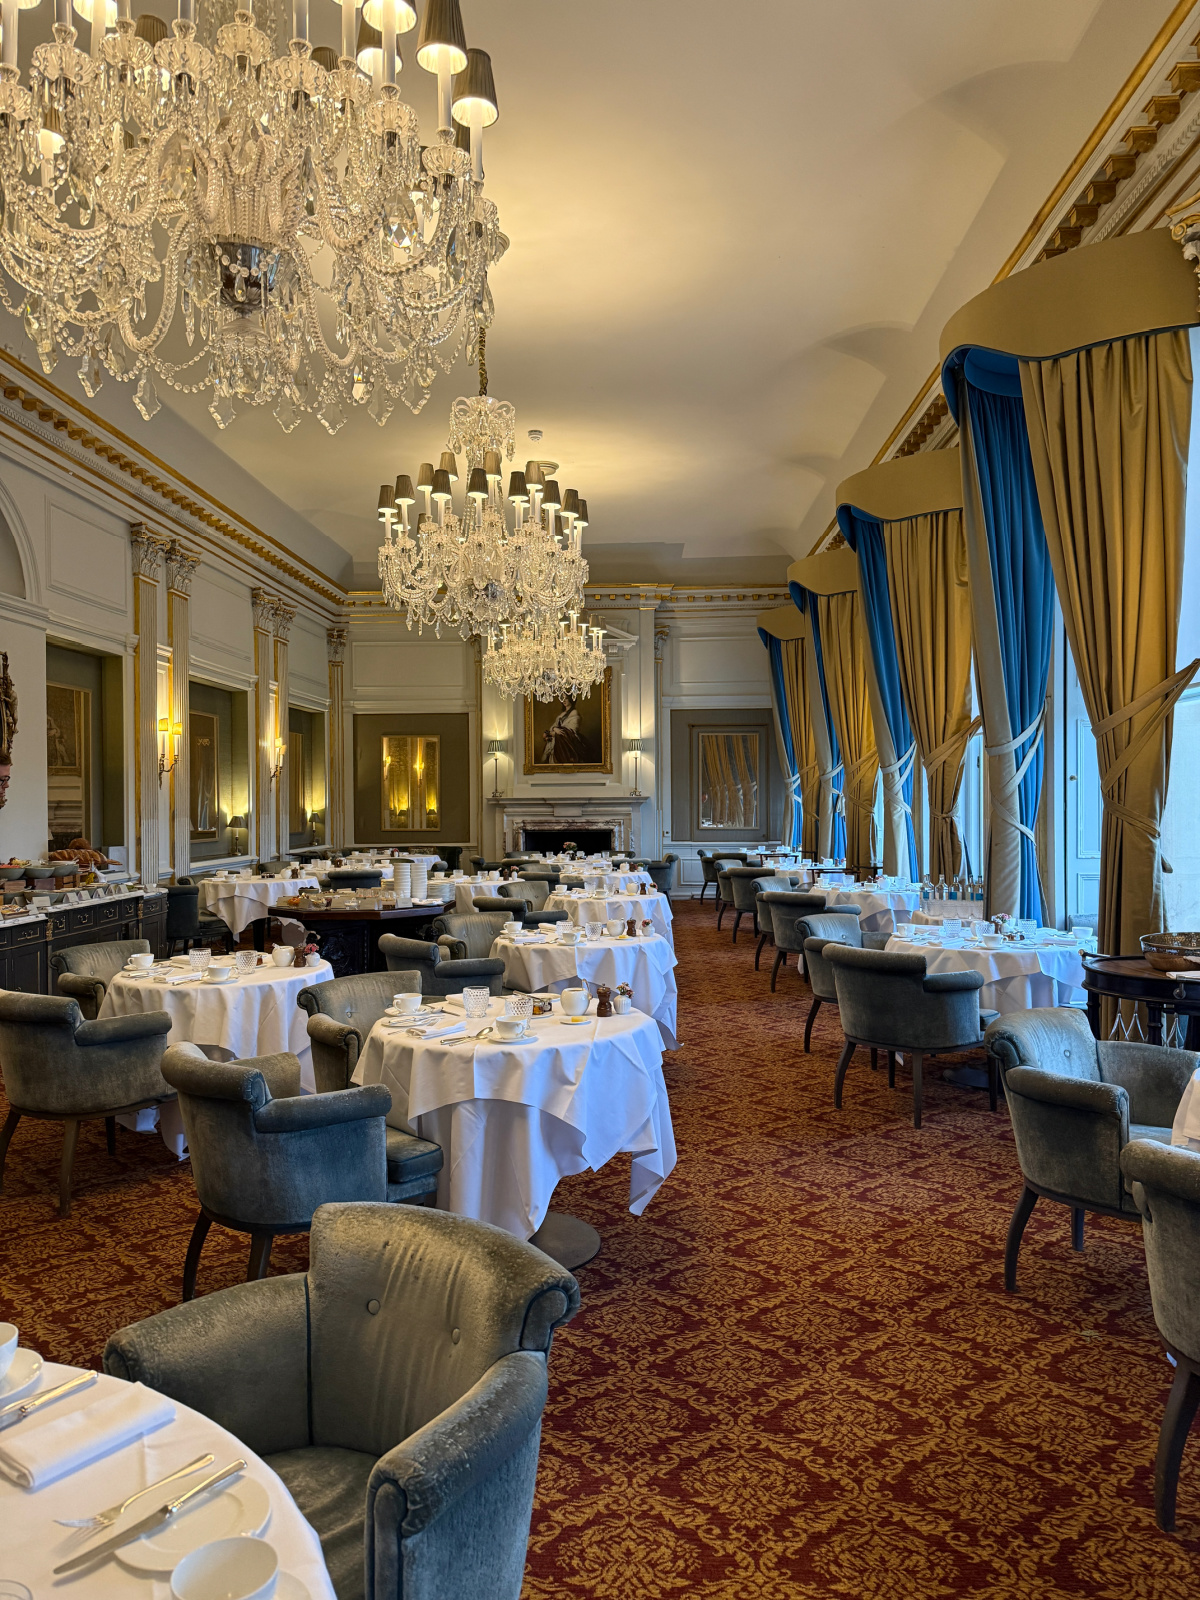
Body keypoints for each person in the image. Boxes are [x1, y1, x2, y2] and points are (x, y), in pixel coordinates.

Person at [542, 697, 585, 764]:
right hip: (557, 740)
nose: (564, 700)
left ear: (571, 699)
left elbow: (571, 730)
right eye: (563, 698)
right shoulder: (562, 714)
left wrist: (553, 732)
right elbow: (553, 726)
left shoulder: (574, 713)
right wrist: (554, 729)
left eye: (566, 698)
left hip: (568, 742)